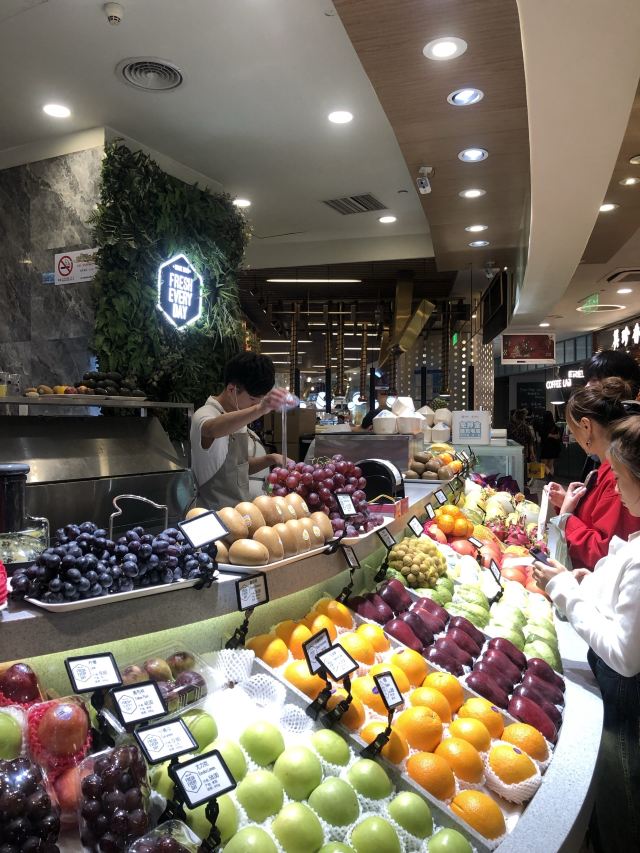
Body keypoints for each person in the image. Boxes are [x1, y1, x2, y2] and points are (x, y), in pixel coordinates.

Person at [532, 412, 640, 853]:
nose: (615, 487)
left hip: (628, 705)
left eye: (620, 478)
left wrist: (565, 591)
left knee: (622, 800)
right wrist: (590, 583)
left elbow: (625, 654)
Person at [547, 379, 640, 570]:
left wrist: (567, 518)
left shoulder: (616, 477)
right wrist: (567, 503)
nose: (575, 437)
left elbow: (604, 553)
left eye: (573, 430)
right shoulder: (608, 470)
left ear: (586, 426)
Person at [190, 352, 290, 509]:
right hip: (211, 513)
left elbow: (239, 468)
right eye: (252, 399)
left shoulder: (239, 417)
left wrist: (271, 458)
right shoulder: (204, 414)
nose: (255, 405)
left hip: (242, 512)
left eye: (260, 400)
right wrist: (260, 408)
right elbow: (212, 429)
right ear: (232, 389)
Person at [579, 349, 640, 479]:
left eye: (594, 379)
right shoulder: (608, 417)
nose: (587, 386)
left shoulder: (627, 426)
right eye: (588, 380)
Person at [538, 409, 562, 476]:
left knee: (543, 464)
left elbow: (541, 434)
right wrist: (553, 436)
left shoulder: (542, 426)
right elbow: (558, 436)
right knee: (550, 464)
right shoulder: (554, 426)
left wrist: (549, 435)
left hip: (546, 447)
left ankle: (549, 477)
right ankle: (550, 478)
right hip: (554, 447)